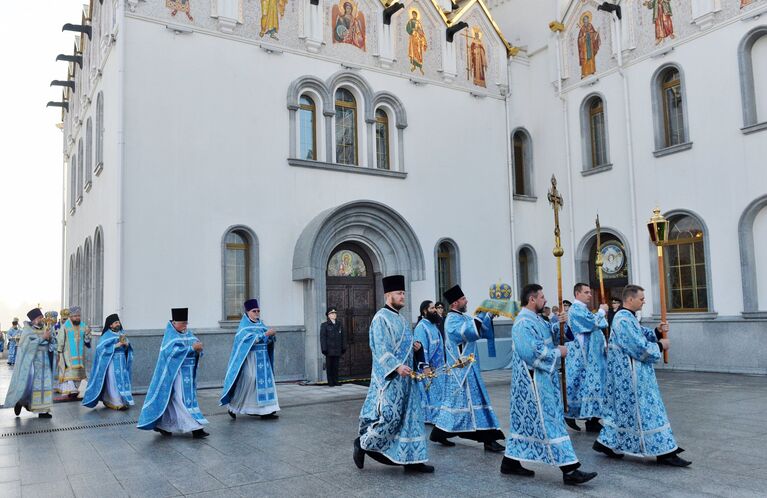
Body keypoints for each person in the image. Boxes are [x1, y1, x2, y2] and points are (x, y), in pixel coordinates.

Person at [502, 284, 598, 485]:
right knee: (552, 423)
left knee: (525, 424)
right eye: (542, 297)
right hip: (532, 384)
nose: (545, 301)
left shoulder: (537, 319)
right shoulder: (522, 323)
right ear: (532, 299)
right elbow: (531, 352)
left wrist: (560, 324)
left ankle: (509, 462)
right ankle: (570, 470)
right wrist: (558, 353)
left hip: (543, 380)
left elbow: (550, 336)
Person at [594, 285, 691, 467]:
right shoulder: (622, 319)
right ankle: (664, 451)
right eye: (641, 298)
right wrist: (661, 346)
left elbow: (641, 334)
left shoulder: (628, 317)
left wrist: (657, 331)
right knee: (649, 412)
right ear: (630, 300)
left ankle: (605, 442)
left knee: (626, 413)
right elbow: (638, 346)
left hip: (635, 374)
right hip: (631, 377)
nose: (644, 301)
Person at [354, 275, 433, 473]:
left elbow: (409, 346)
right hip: (390, 380)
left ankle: (413, 460)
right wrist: (396, 367)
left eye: (404, 293)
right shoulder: (380, 318)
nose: (403, 296)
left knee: (412, 418)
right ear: (388, 295)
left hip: (407, 380)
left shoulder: (403, 320)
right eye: (399, 293)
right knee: (390, 418)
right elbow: (380, 348)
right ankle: (361, 443)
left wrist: (418, 353)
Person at [430, 285, 505, 452]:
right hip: (461, 372)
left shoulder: (462, 317)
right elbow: (467, 332)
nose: (467, 301)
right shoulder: (451, 320)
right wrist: (482, 315)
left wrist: (488, 316)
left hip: (469, 370)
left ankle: (439, 433)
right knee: (469, 404)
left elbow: (479, 330)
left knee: (460, 406)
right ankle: (488, 439)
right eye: (464, 299)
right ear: (455, 303)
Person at [137, 308, 209, 438]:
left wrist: (198, 348)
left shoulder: (188, 333)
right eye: (182, 323)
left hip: (188, 373)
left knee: (175, 400)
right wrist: (192, 348)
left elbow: (197, 346)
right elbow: (170, 353)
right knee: (180, 399)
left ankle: (164, 425)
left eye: (186, 323)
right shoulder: (170, 336)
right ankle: (196, 428)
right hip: (175, 374)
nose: (185, 326)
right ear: (174, 322)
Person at [220, 299, 280, 420]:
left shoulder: (261, 324)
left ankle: (266, 410)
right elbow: (245, 341)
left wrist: (271, 337)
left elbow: (266, 340)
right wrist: (265, 335)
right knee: (249, 380)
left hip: (263, 359)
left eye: (258, 311)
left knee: (266, 383)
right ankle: (233, 406)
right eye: (254, 311)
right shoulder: (244, 327)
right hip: (251, 359)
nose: (257, 313)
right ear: (247, 312)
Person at [563, 283, 609, 433]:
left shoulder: (583, 309)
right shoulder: (575, 309)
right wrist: (602, 312)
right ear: (577, 294)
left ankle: (592, 419)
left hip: (593, 355)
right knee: (587, 386)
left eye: (590, 292)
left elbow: (598, 324)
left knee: (590, 387)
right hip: (583, 355)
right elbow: (593, 323)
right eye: (586, 292)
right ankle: (573, 414)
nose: (590, 294)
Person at [3, 308, 55, 418]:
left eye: (42, 317)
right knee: (29, 386)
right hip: (32, 363)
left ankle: (43, 411)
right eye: (40, 318)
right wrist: (42, 338)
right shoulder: (27, 331)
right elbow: (27, 346)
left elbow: (53, 342)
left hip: (44, 362)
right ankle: (20, 402)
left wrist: (50, 339)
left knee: (43, 386)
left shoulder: (46, 328)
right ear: (34, 319)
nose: (42, 319)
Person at [82, 313, 134, 410]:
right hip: (111, 362)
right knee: (113, 381)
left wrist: (127, 345)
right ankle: (114, 401)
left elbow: (128, 349)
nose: (118, 324)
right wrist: (115, 346)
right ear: (110, 325)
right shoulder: (106, 335)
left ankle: (122, 400)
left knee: (122, 381)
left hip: (122, 361)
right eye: (115, 323)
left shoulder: (122, 333)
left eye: (118, 322)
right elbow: (100, 349)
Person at [413, 300, 444, 424]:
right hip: (428, 368)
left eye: (435, 308)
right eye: (432, 308)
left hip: (439, 367)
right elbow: (421, 348)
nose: (435, 310)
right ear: (425, 311)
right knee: (430, 394)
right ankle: (431, 417)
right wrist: (425, 366)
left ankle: (437, 417)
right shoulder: (421, 326)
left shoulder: (433, 325)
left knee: (437, 394)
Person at [56, 306, 91, 401]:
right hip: (67, 355)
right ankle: (71, 390)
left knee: (79, 374)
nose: (77, 318)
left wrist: (87, 334)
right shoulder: (65, 326)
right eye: (75, 316)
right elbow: (60, 340)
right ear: (70, 316)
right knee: (69, 374)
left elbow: (87, 341)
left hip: (80, 356)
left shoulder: (83, 326)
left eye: (79, 316)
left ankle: (76, 390)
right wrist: (59, 352)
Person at [320, 307, 345, 387]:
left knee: (336, 366)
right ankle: (330, 382)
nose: (334, 315)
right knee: (329, 366)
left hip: (337, 349)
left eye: (335, 313)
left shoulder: (339, 324)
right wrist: (324, 349)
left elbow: (343, 337)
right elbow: (323, 338)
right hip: (329, 350)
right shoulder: (324, 325)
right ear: (328, 315)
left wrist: (343, 347)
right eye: (332, 313)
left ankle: (336, 381)